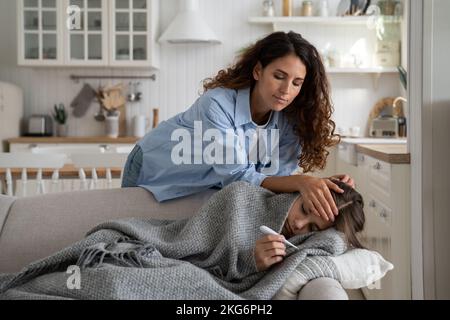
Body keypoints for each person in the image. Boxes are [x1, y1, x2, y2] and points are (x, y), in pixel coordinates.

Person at [122, 31, 354, 223]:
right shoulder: (217, 104)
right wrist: (304, 182)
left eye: (296, 83)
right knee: (128, 232)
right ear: (257, 71)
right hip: (153, 165)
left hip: (206, 184)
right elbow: (237, 177)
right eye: (279, 76)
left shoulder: (290, 120)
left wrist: (321, 185)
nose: (286, 90)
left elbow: (273, 179)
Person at [254, 180, 365, 271]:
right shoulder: (240, 196)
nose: (298, 224)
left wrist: (252, 264)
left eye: (313, 228)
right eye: (304, 209)